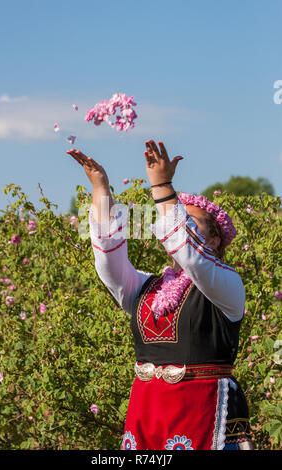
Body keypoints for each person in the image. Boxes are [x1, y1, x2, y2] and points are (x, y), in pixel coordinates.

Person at [66, 140, 254, 451]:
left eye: (190, 224)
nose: (182, 228)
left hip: (204, 416)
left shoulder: (227, 285)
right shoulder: (145, 287)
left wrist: (163, 187)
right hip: (147, 417)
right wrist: (101, 190)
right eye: (180, 222)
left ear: (217, 239)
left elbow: (192, 257)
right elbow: (110, 264)